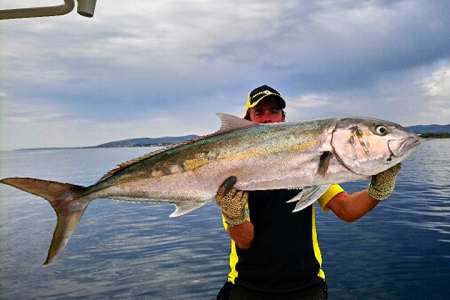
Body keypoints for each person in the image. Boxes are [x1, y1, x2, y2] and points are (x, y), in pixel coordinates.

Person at [215, 85, 401, 300]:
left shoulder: (309, 168)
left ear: (283, 118)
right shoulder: (232, 171)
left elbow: (347, 210)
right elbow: (244, 241)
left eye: (273, 111)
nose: (267, 118)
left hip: (307, 288)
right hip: (247, 288)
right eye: (259, 112)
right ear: (246, 120)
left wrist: (379, 189)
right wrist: (233, 214)